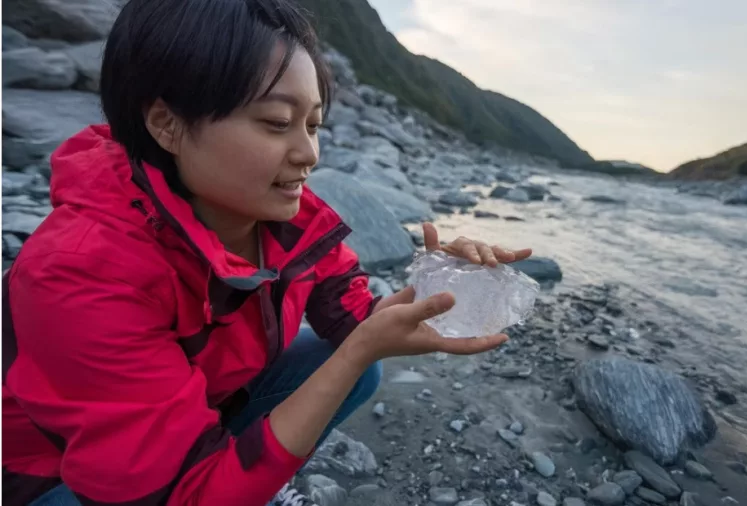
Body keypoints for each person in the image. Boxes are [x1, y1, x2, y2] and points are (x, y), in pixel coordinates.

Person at [1, 1, 532, 505]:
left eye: (314, 124)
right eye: (278, 123)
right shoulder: (79, 271)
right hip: (57, 476)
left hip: (201, 407)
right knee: (348, 366)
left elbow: (354, 321)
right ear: (165, 124)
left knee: (354, 367)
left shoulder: (288, 219)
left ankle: (248, 474)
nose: (309, 154)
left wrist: (437, 287)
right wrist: (355, 353)